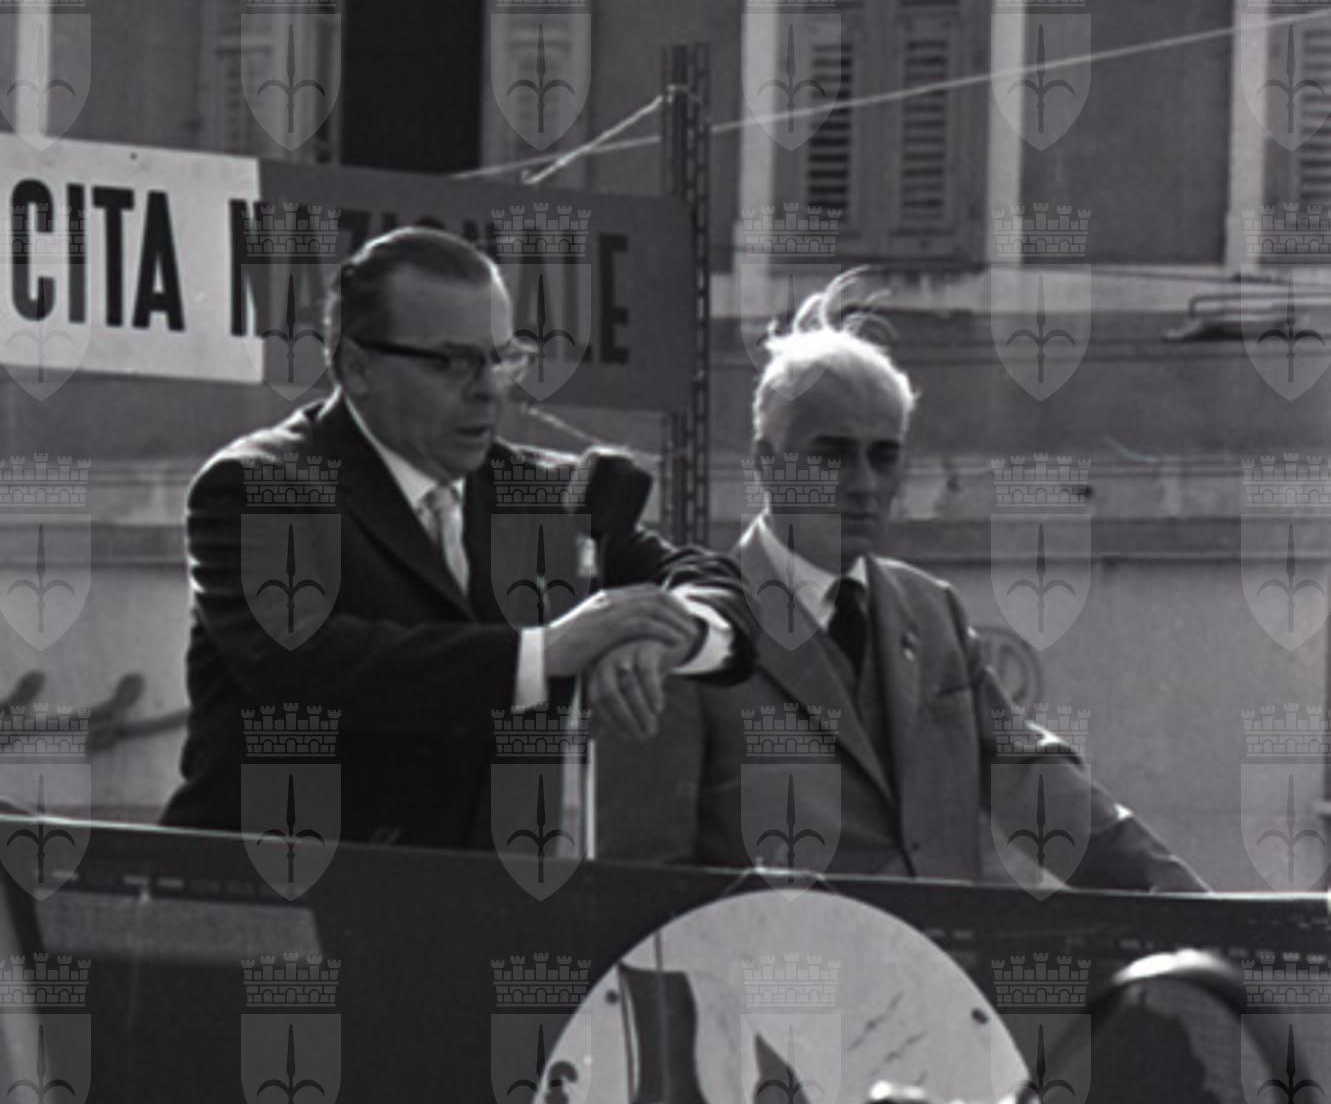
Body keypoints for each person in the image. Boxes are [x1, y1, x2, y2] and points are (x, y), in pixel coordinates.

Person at [596, 290, 1206, 892]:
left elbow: (1033, 783)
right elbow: (643, 889)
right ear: (768, 463)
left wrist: (1188, 906)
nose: (863, 483)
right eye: (832, 456)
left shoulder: (930, 612)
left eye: (884, 457)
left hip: (938, 958)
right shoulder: (676, 641)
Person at [162, 226, 752, 847]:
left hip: (476, 894)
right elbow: (304, 660)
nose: (489, 388)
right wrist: (545, 653)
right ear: (356, 367)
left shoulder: (550, 498)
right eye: (451, 363)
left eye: (502, 359)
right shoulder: (260, 485)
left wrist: (672, 634)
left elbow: (717, 588)